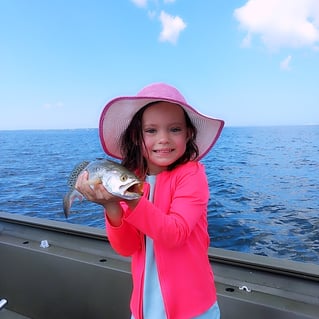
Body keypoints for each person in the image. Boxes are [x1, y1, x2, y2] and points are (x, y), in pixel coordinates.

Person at [75, 83, 224, 319]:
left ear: (188, 134)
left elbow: (175, 233)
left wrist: (131, 199)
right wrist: (111, 205)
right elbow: (127, 247)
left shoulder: (191, 175)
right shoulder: (130, 178)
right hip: (144, 308)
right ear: (136, 136)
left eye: (174, 129)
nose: (163, 139)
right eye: (151, 131)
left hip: (194, 310)